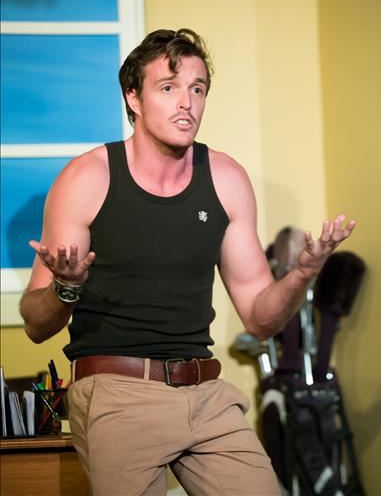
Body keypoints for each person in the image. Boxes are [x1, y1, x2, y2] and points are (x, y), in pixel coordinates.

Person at [20, 28, 356, 496]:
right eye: (168, 87)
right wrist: (67, 286)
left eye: (197, 89)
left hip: (206, 392)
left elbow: (260, 318)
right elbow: (36, 325)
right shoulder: (87, 178)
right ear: (133, 98)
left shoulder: (225, 178)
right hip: (118, 393)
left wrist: (302, 272)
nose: (187, 103)